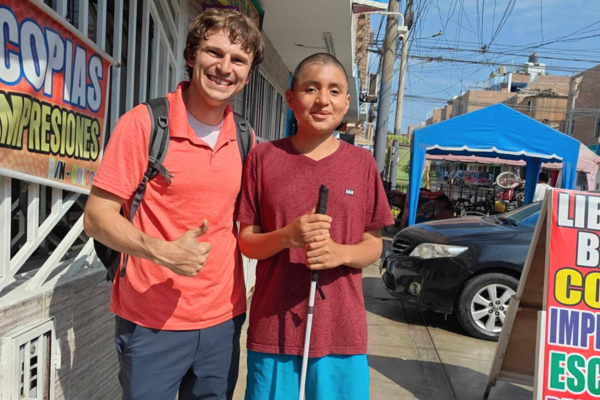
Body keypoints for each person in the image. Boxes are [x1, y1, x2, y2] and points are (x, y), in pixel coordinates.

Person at [83, 9, 265, 400]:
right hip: (151, 323)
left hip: (222, 321)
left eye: (238, 60)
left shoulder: (247, 137)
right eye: (214, 53)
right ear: (191, 55)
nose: (224, 68)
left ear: (248, 75)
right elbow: (97, 219)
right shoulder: (145, 124)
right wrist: (162, 251)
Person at [237, 53, 394, 400]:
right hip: (273, 326)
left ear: (347, 102)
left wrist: (340, 253)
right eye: (311, 88)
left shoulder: (362, 164)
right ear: (291, 98)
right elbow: (246, 241)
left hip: (342, 329)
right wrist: (286, 237)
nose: (323, 100)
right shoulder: (262, 159)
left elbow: (374, 243)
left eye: (335, 91)